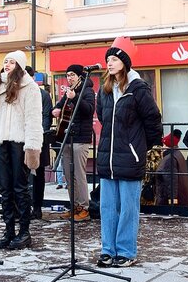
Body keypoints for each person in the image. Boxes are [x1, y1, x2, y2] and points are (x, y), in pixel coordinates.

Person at [95, 36, 162, 268]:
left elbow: (153, 120)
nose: (110, 63)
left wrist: (140, 146)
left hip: (130, 157)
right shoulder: (105, 89)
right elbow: (103, 118)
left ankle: (126, 251)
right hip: (108, 157)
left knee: (128, 209)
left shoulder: (138, 88)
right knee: (107, 207)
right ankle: (108, 249)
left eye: (114, 59)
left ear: (125, 62)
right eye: (108, 60)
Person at [0, 50, 42, 250]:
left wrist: (32, 148)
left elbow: (33, 119)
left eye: (12, 62)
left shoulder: (30, 87)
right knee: (5, 189)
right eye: (5, 61)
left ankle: (24, 232)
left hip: (19, 143)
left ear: (20, 66)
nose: (6, 65)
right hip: (1, 143)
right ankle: (9, 230)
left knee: (20, 188)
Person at [52, 64, 95, 222]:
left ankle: (84, 208)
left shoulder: (87, 90)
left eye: (72, 75)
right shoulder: (69, 91)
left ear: (79, 76)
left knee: (79, 174)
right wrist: (55, 110)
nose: (69, 78)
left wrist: (75, 97)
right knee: (69, 175)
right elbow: (60, 105)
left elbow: (89, 110)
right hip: (67, 137)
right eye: (67, 75)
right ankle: (74, 206)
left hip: (81, 138)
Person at [25, 66, 53, 220]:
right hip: (21, 139)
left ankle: (37, 207)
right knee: (21, 175)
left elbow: (46, 118)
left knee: (38, 175)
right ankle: (21, 206)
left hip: (38, 139)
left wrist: (38, 137)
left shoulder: (44, 95)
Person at [154, 130, 188, 207]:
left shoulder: (169, 159)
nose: (162, 147)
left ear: (168, 146)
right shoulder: (177, 154)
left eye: (164, 144)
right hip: (181, 197)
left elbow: (171, 181)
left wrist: (172, 200)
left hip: (168, 199)